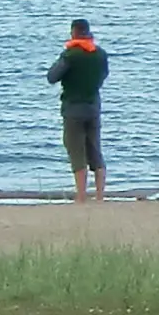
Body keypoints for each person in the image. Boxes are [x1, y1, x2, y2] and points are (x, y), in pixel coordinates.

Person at [50, 18, 110, 202]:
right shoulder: (100, 54)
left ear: (74, 32)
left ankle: (82, 196)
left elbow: (52, 76)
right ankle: (100, 196)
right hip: (93, 106)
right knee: (95, 151)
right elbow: (104, 75)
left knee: (76, 151)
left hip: (73, 108)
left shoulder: (70, 55)